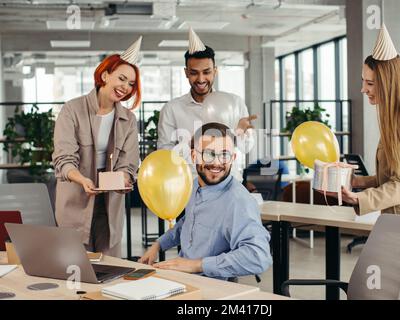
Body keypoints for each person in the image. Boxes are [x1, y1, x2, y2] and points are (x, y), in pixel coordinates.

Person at [332, 25, 400, 255]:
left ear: (389, 83)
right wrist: (357, 182)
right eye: (364, 81)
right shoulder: (399, 119)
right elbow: (396, 177)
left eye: (370, 83)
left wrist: (360, 198)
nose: (363, 89)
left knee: (395, 290)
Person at [139, 122, 272, 280]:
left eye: (224, 155)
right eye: (209, 154)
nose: (217, 163)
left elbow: (259, 257)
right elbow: (187, 222)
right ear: (194, 156)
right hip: (182, 278)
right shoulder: (193, 185)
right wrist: (158, 245)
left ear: (233, 158)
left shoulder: (238, 201)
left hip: (211, 286)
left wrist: (196, 265)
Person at [52, 37, 142, 257]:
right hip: (76, 196)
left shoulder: (128, 119)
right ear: (104, 75)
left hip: (110, 201)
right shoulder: (72, 110)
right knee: (75, 264)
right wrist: (82, 180)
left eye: (131, 84)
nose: (125, 87)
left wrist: (126, 180)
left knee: (109, 264)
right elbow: (63, 159)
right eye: (121, 78)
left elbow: (129, 164)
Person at [157, 28, 256, 179]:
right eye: (194, 73)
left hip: (228, 182)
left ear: (215, 71)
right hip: (189, 184)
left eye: (207, 72)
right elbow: (164, 154)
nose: (201, 79)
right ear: (186, 73)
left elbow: (247, 148)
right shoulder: (172, 109)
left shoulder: (234, 103)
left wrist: (241, 133)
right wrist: (190, 144)